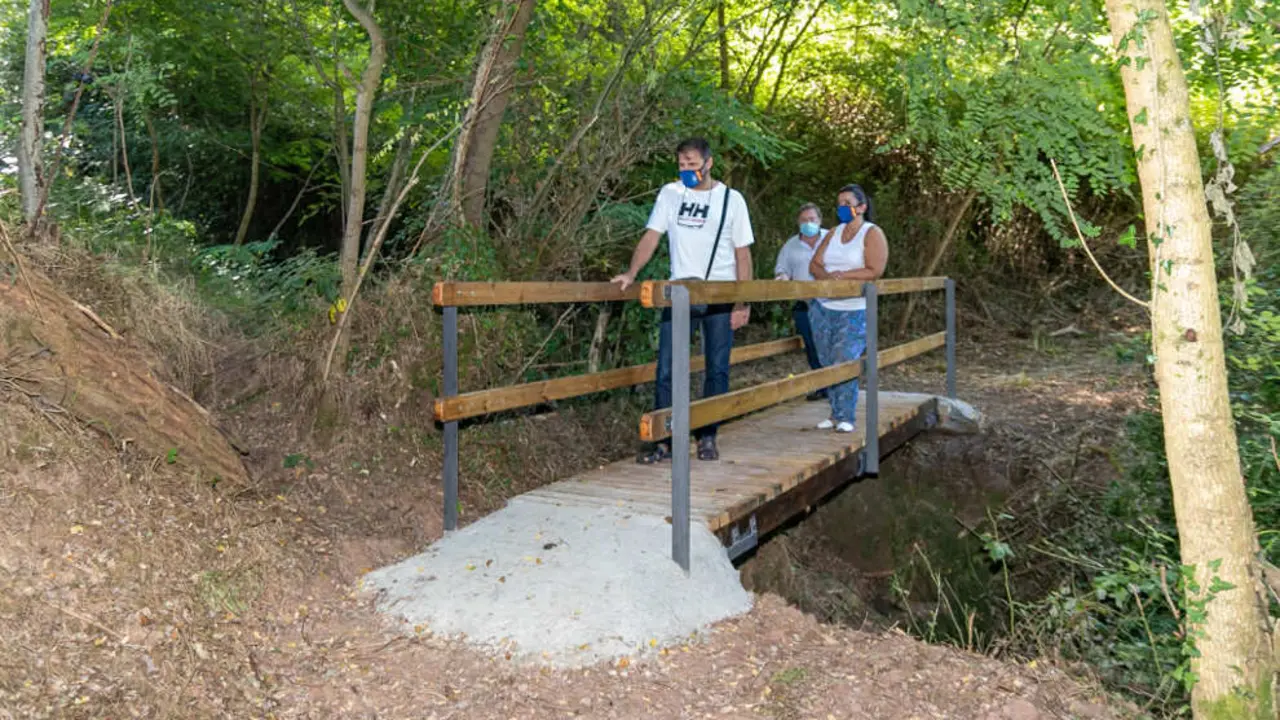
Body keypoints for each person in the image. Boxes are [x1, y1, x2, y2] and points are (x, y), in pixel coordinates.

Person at [611, 137, 755, 463]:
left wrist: (742, 301)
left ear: (708, 163)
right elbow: (652, 235)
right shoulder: (671, 194)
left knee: (716, 369)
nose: (687, 170)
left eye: (692, 164)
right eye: (681, 165)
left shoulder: (731, 200)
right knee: (667, 369)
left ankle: (707, 436)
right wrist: (631, 274)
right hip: (679, 293)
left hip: (719, 293)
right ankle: (664, 440)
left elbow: (742, 255)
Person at [808, 184, 888, 433]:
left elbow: (874, 270)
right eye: (839, 203)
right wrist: (827, 279)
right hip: (824, 307)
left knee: (845, 358)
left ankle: (847, 416)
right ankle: (834, 412)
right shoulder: (833, 232)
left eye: (847, 203)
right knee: (826, 360)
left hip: (854, 308)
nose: (842, 207)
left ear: (861, 207)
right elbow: (815, 264)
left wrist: (843, 277)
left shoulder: (871, 233)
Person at [773, 202, 827, 401]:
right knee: (812, 346)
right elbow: (781, 270)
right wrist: (782, 278)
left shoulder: (832, 239)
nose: (808, 223)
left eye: (812, 219)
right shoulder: (790, 245)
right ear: (798, 222)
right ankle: (822, 386)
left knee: (832, 345)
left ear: (820, 220)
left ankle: (839, 385)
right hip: (804, 305)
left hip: (831, 304)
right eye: (804, 220)